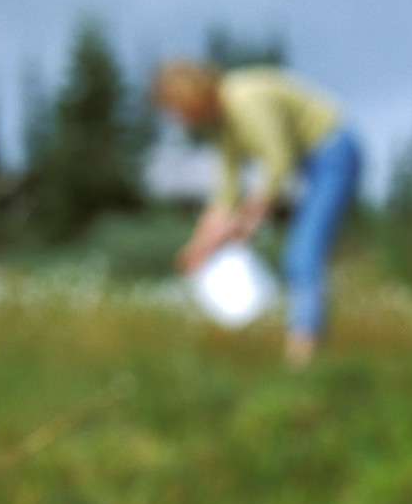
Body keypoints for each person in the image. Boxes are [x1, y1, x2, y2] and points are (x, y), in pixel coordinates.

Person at [152, 61, 362, 365]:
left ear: (191, 96)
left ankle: (303, 353)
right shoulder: (222, 124)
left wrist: (244, 223)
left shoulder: (245, 102)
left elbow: (279, 163)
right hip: (308, 161)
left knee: (303, 254)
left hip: (333, 152)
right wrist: (199, 248)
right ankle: (304, 348)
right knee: (298, 253)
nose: (180, 121)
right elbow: (225, 193)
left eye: (178, 110)